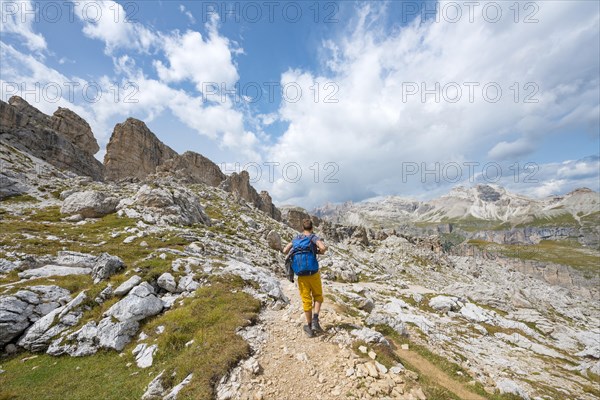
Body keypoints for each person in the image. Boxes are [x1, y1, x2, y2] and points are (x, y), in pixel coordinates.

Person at [283, 218, 327, 338]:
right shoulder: (313, 237)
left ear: (302, 228)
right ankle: (315, 320)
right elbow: (322, 248)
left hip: (301, 276)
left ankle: (309, 327)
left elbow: (285, 250)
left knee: (306, 300)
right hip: (313, 273)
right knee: (318, 296)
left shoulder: (296, 239)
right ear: (312, 228)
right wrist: (318, 251)